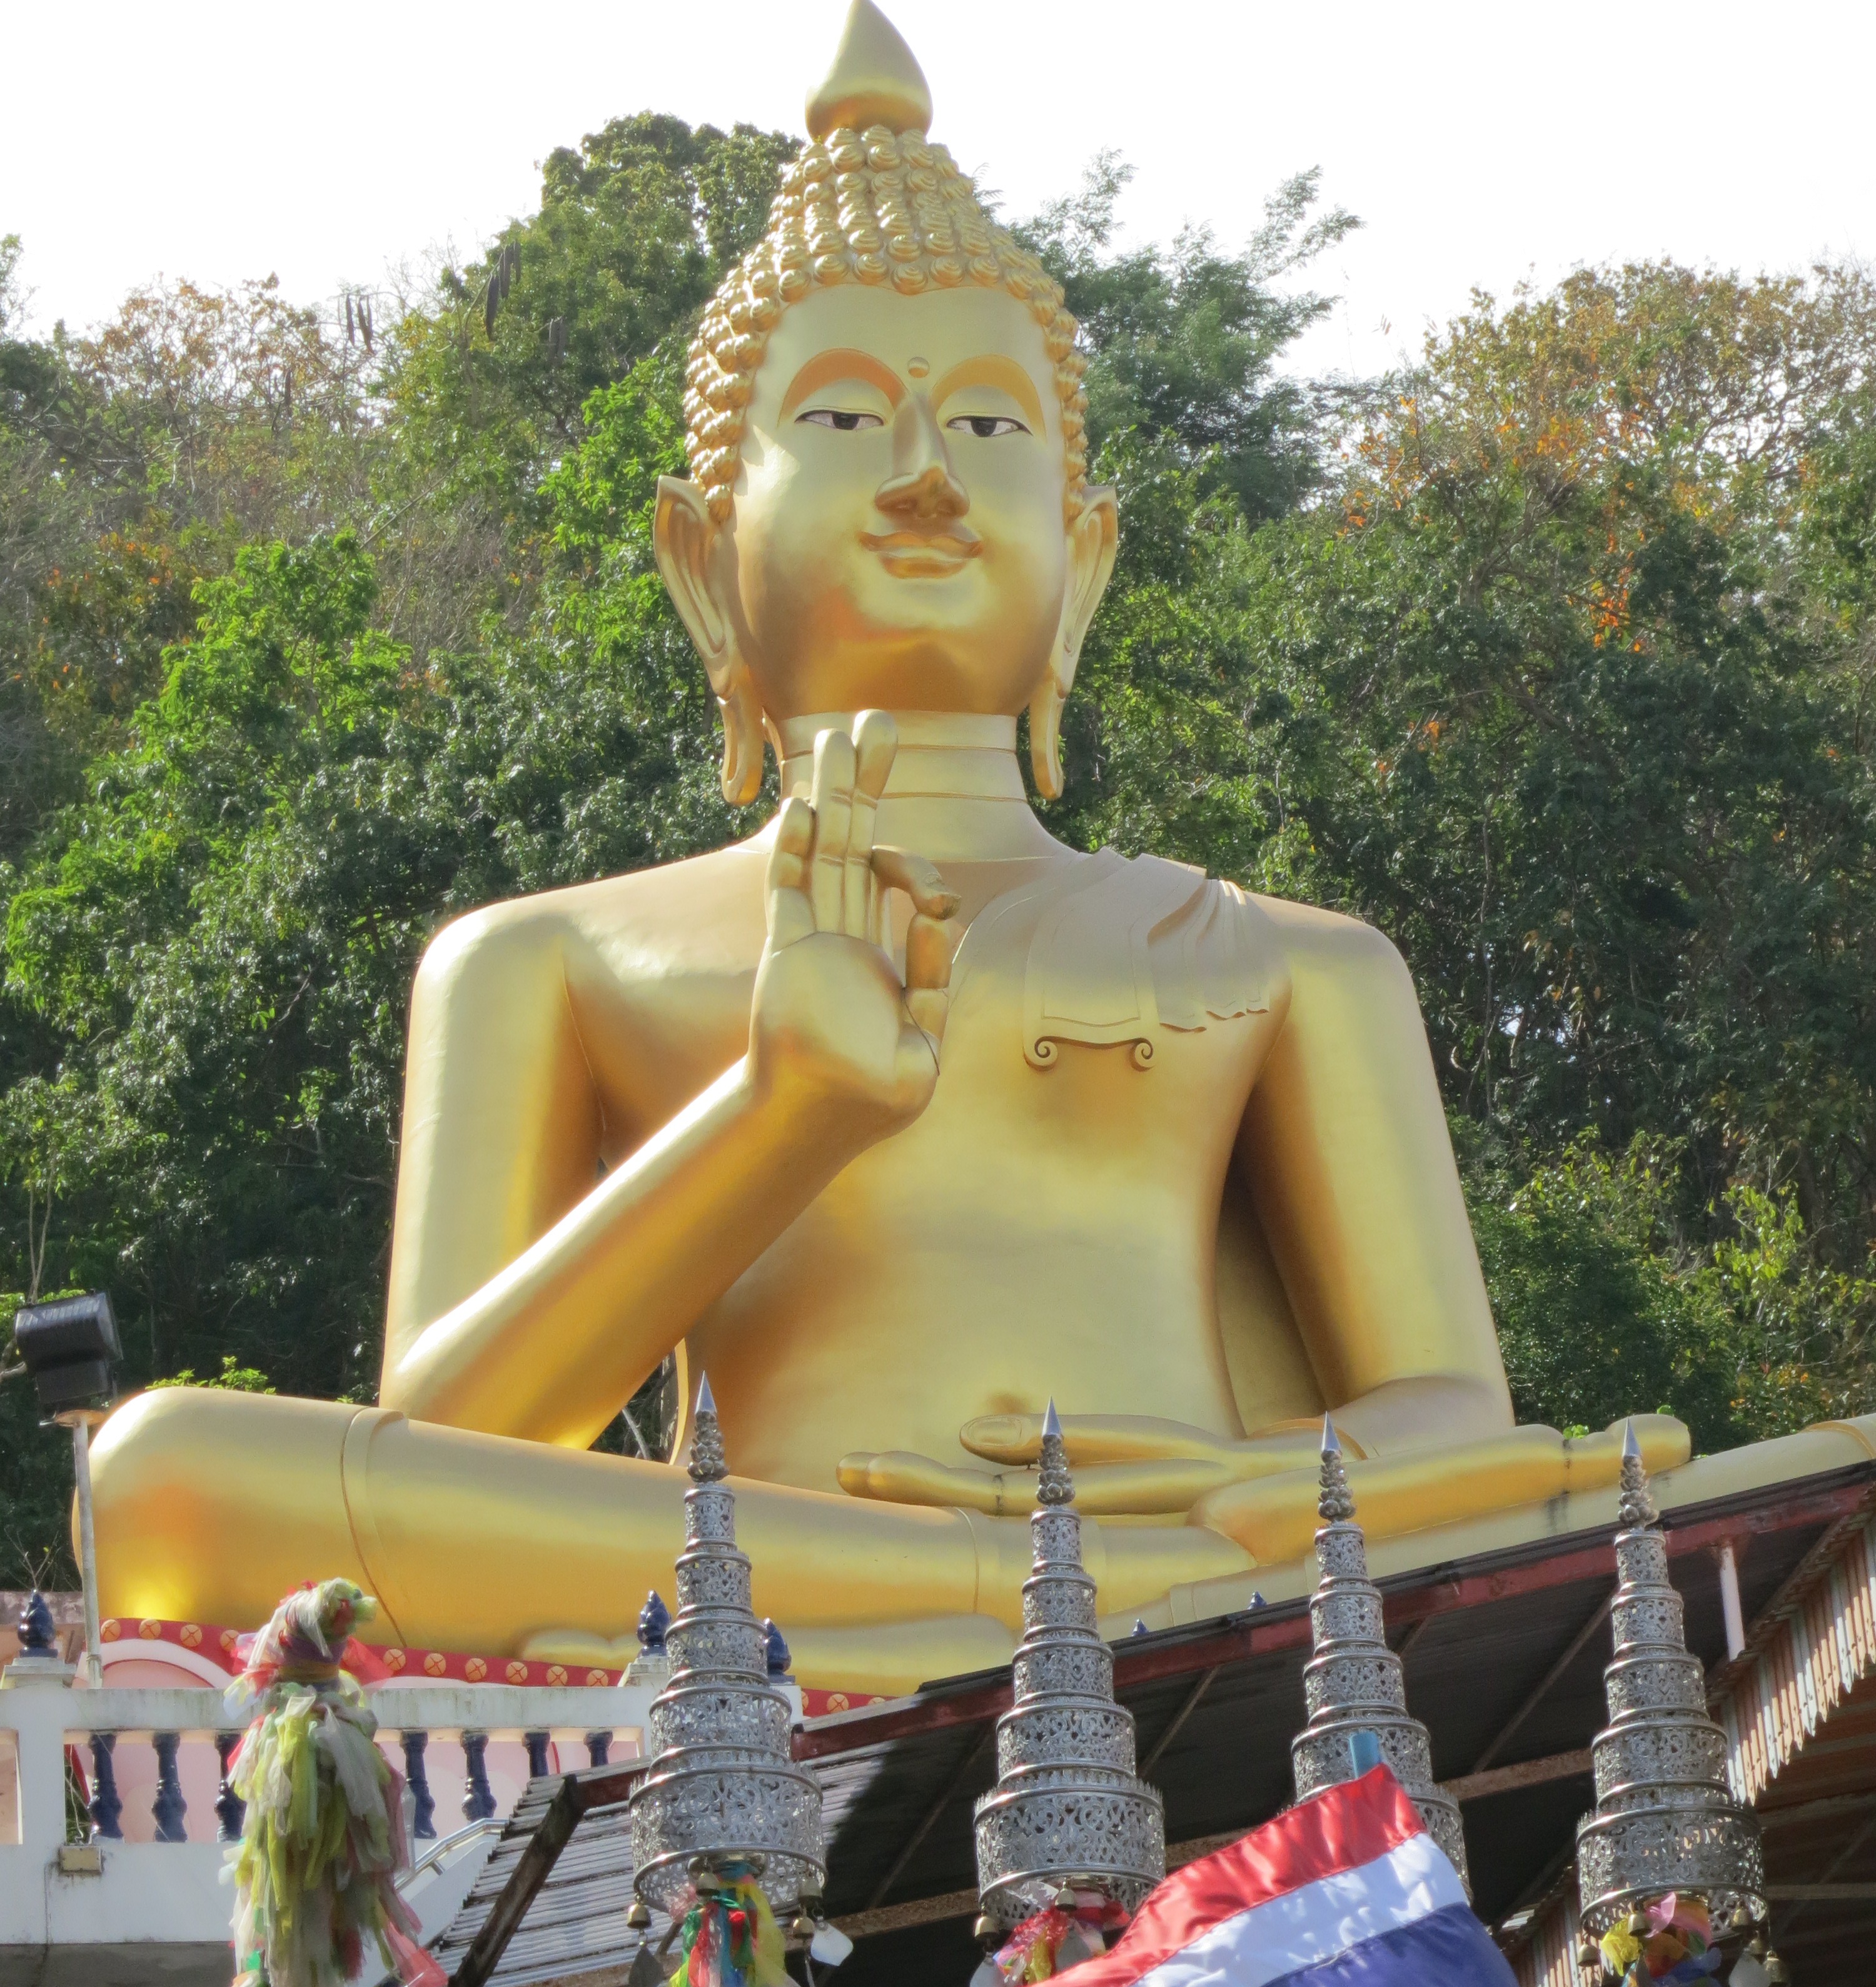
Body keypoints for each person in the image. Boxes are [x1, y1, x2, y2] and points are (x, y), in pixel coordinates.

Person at [88, 4, 1688, 1693]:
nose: (928, 477)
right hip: (803, 1566)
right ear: (703, 560)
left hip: (1182, 1548)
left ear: (1083, 557)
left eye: (991, 428)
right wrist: (783, 1112)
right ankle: (1048, 1601)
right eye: (848, 420)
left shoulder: (1295, 961)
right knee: (167, 1483)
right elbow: (454, 1435)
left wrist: (1248, 1484)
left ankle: (1063, 1595)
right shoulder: (544, 958)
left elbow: (1455, 1415)